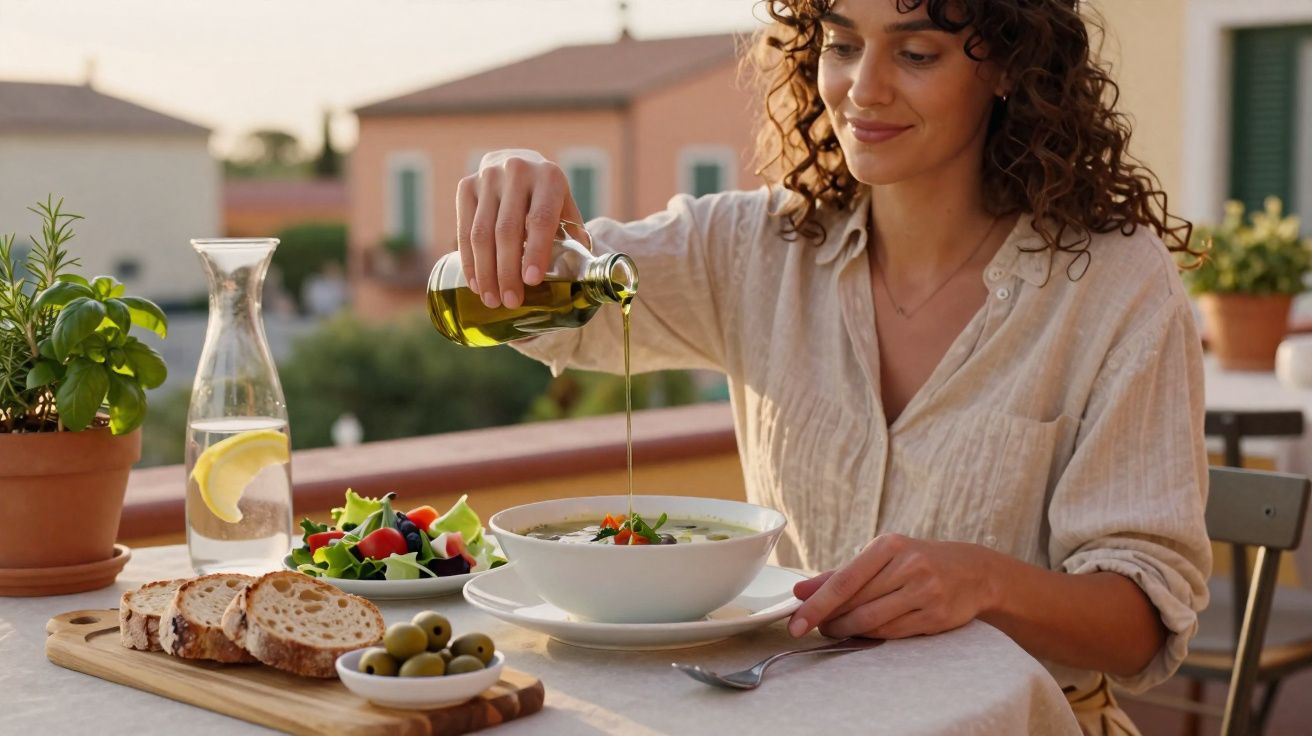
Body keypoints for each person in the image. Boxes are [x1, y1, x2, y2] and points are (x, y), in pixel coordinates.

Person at [454, 1, 1210, 732]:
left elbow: (1141, 627)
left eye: (916, 53)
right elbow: (547, 312)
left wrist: (985, 582)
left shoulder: (1113, 286)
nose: (864, 87)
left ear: (1009, 67)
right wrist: (515, 190)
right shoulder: (756, 247)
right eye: (843, 45)